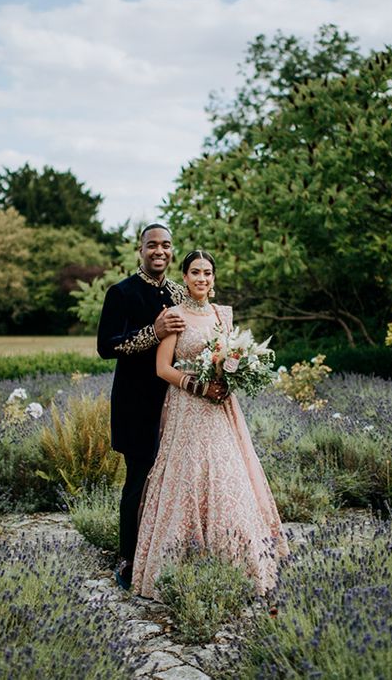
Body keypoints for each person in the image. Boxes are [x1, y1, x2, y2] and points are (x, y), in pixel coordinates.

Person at [133, 249, 289, 598]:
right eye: (194, 273)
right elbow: (162, 368)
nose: (201, 278)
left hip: (220, 408)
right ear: (184, 278)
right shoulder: (173, 315)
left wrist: (229, 379)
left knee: (226, 473)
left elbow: (228, 356)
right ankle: (179, 565)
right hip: (186, 406)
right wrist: (198, 386)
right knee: (188, 475)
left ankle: (236, 563)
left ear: (213, 279)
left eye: (207, 273)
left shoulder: (222, 315)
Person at [97, 223, 187, 590]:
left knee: (172, 481)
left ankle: (163, 551)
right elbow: (106, 347)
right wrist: (154, 332)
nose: (159, 252)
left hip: (176, 404)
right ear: (140, 249)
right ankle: (129, 558)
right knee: (138, 480)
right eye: (152, 245)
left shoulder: (180, 293)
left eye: (166, 245)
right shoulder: (121, 293)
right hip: (136, 405)